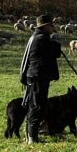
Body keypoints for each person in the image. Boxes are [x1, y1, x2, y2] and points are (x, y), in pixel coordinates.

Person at [19, 14, 62, 144]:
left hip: (36, 76)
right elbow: (56, 52)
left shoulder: (37, 37)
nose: (53, 28)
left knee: (37, 105)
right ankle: (32, 137)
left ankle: (31, 135)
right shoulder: (41, 39)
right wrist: (56, 41)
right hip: (37, 77)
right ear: (45, 27)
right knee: (37, 106)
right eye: (51, 26)